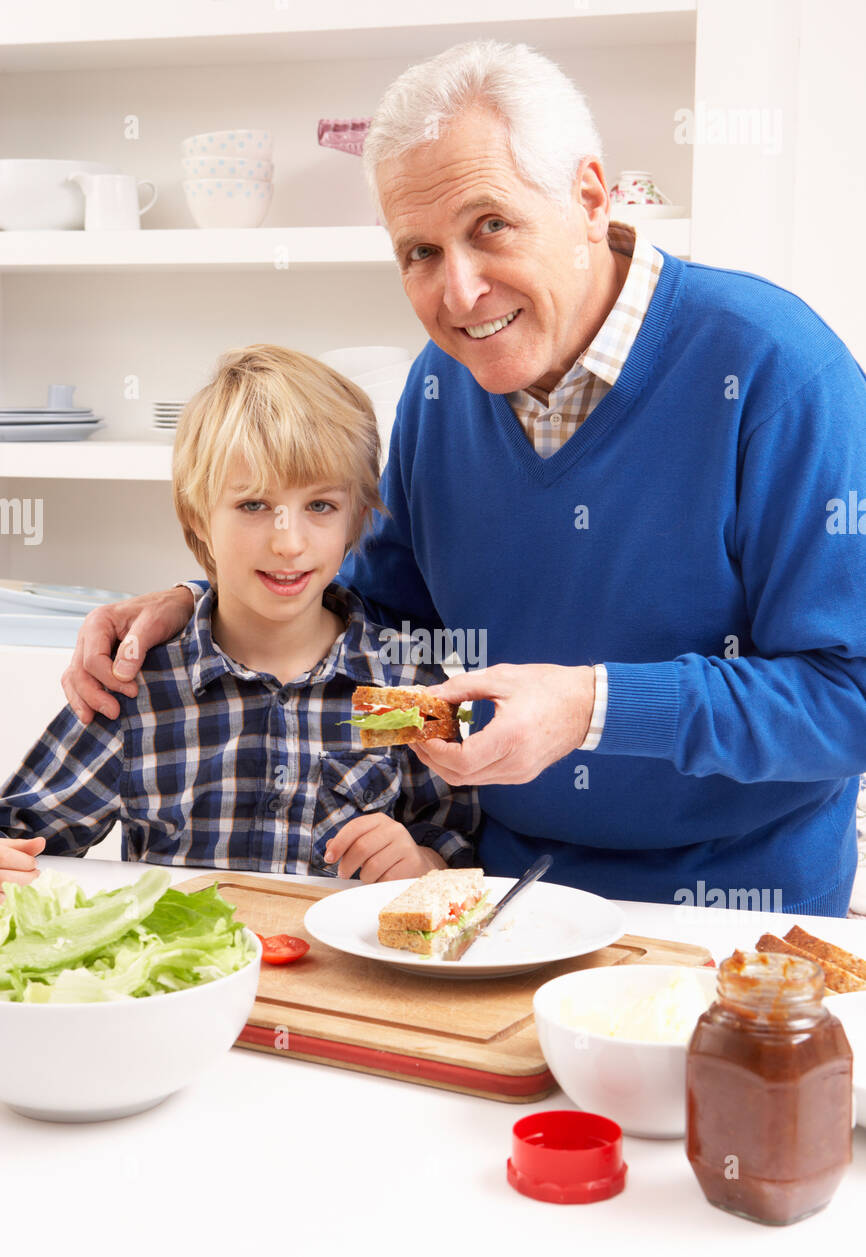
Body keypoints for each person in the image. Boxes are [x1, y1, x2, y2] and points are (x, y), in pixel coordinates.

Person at [59, 41, 866, 916]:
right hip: (487, 890)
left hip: (731, 905)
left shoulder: (779, 371)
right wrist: (206, 607)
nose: (461, 292)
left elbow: (847, 694)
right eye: (420, 252)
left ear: (589, 198)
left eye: (491, 226)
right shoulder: (440, 390)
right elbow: (385, 631)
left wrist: (592, 706)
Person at [0, 345, 479, 887]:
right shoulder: (138, 689)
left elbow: (459, 845)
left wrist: (424, 865)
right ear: (197, 516)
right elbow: (19, 835)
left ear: (355, 520)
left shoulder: (408, 688)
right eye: (253, 505)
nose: (289, 543)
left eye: (320, 506)